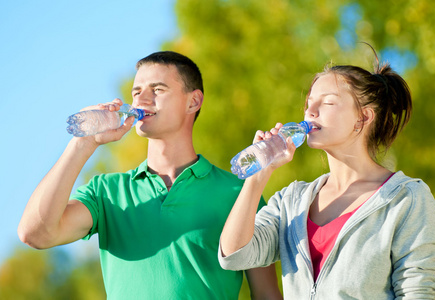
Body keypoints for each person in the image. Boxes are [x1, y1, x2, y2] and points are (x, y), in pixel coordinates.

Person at [18, 51, 282, 299]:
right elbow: (36, 234)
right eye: (137, 91)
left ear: (193, 101)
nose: (141, 100)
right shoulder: (106, 192)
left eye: (157, 89)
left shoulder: (239, 192)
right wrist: (82, 144)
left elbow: (267, 294)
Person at [219, 51, 435, 299]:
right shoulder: (291, 201)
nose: (310, 111)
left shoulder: (406, 199)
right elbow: (234, 255)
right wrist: (257, 178)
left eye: (327, 102)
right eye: (308, 103)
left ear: (363, 117)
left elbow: (419, 293)